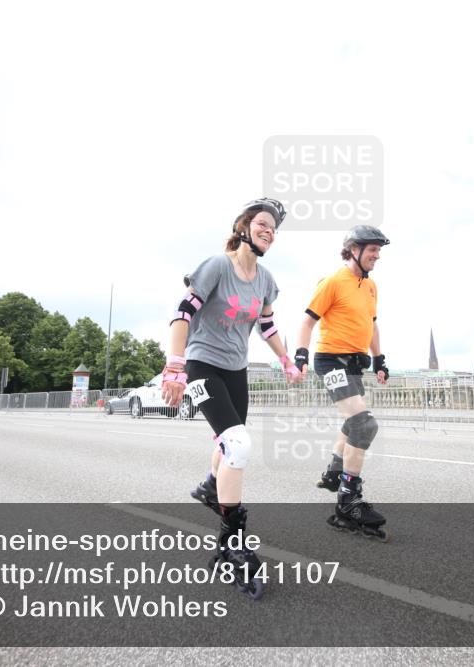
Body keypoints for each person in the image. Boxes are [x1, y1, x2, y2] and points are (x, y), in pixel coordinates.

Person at [162, 198, 302, 596]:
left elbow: (268, 326)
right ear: (243, 227)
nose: (269, 231)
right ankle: (230, 540)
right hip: (203, 364)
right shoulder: (217, 266)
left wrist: (286, 361)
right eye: (262, 223)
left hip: (236, 369)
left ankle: (211, 486)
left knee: (227, 446)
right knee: (239, 444)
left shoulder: (266, 280)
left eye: (274, 228)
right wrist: (176, 365)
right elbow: (183, 313)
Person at [294, 225, 391, 540]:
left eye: (379, 250)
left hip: (354, 362)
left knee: (352, 423)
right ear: (353, 249)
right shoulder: (333, 282)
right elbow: (308, 320)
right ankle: (348, 502)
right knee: (364, 426)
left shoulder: (371, 286)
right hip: (330, 360)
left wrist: (379, 360)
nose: (377, 255)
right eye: (372, 249)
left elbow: (372, 326)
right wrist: (300, 357)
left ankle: (335, 474)